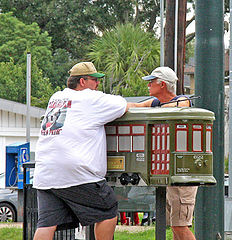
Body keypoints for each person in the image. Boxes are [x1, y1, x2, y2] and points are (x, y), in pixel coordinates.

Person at [33, 62, 138, 240]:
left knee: (47, 223)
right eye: (94, 80)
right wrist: (150, 104)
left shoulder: (56, 97)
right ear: (82, 81)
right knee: (108, 208)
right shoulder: (90, 98)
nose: (97, 85)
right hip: (76, 173)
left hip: (45, 174)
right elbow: (123, 105)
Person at [140, 67, 198, 240]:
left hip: (183, 173)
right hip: (169, 173)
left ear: (163, 84)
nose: (148, 85)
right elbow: (135, 105)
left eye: (152, 81)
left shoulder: (182, 101)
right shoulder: (156, 103)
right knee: (175, 226)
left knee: (180, 226)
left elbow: (181, 105)